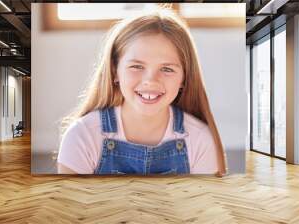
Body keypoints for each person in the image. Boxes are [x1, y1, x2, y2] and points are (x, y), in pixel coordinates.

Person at [57, 8, 227, 176]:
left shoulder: (201, 140)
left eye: (167, 69)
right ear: (115, 71)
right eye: (137, 66)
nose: (151, 80)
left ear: (184, 78)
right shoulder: (81, 136)